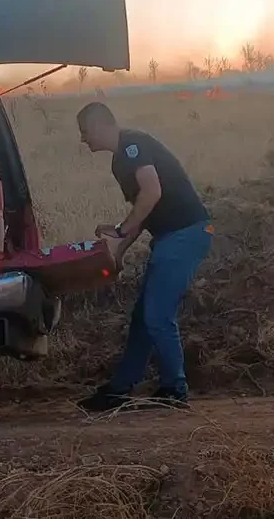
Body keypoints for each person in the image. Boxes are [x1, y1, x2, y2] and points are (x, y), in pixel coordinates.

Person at [74, 102, 214, 412]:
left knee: (157, 316)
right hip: (170, 237)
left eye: (84, 132)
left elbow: (152, 192)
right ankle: (119, 390)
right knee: (143, 319)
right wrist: (119, 253)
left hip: (186, 234)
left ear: (99, 125)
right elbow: (142, 212)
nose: (83, 139)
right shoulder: (119, 161)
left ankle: (175, 390)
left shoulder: (133, 145)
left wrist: (120, 233)